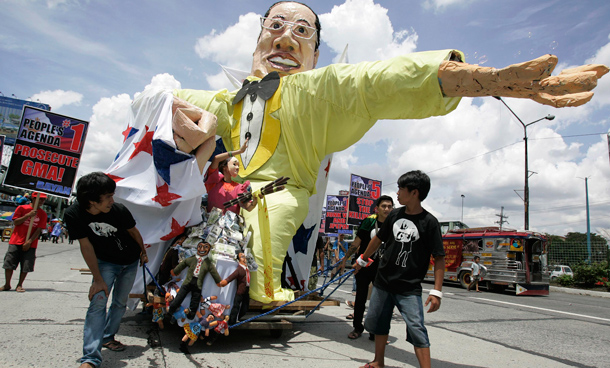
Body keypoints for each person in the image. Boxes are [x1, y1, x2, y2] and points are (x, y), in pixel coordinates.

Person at [172, 1, 607, 304]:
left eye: (301, 32)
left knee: (269, 218)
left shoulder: (314, 89)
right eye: (277, 27)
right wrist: (178, 117)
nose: (286, 40)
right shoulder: (228, 99)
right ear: (258, 40)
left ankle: (265, 287)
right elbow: (161, 102)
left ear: (316, 54)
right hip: (222, 192)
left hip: (280, 195)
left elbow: (381, 80)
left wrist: (487, 80)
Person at [354, 171, 445, 368]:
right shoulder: (395, 214)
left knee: (416, 328)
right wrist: (362, 260)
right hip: (383, 282)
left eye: (400, 189)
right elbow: (378, 239)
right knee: (379, 322)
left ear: (414, 192)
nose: (397, 193)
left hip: (409, 287)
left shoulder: (429, 223)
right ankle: (378, 362)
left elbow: (439, 257)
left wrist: (436, 291)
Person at [63, 172, 149, 368]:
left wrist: (143, 253)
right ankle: (90, 359)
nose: (112, 200)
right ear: (92, 201)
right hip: (105, 263)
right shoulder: (73, 214)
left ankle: (108, 337)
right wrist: (97, 279)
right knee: (97, 302)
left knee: (119, 303)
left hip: (130, 261)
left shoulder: (119, 210)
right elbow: (86, 246)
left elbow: (134, 233)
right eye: (108, 196)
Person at [343, 195, 394, 340]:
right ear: (377, 209)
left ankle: (374, 331)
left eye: (389, 206)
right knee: (360, 298)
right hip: (364, 265)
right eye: (383, 206)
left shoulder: (394, 224)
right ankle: (357, 327)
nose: (386, 209)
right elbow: (356, 242)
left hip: (383, 268)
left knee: (379, 300)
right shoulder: (369, 222)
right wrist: (345, 259)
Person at [1, 192, 48, 292]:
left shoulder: (43, 214)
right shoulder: (22, 208)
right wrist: (28, 215)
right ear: (33, 198)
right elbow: (16, 222)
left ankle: (20, 284)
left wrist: (29, 242)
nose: (41, 201)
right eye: (39, 199)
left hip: (30, 243)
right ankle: (7, 284)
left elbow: (39, 229)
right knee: (9, 263)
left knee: (26, 264)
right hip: (16, 240)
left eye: (43, 200)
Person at [205, 138, 258, 214]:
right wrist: (239, 152)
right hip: (212, 225)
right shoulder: (214, 181)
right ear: (224, 167)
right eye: (234, 164)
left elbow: (248, 207)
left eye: (238, 166)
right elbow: (216, 159)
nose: (237, 168)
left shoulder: (239, 187)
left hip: (230, 225)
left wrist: (255, 201)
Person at [219, 252, 250, 324]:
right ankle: (232, 320)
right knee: (236, 305)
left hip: (246, 290)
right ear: (238, 259)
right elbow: (232, 276)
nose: (244, 258)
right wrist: (226, 281)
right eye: (242, 257)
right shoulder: (239, 269)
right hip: (240, 290)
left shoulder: (246, 268)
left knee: (245, 305)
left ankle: (239, 317)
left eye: (244, 256)